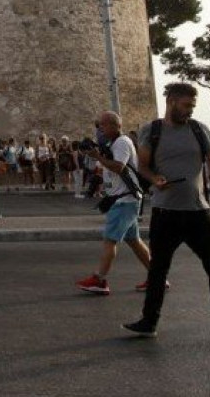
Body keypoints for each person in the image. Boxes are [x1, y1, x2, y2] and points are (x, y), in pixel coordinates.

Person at [122, 83, 210, 343]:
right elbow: (143, 166)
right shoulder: (151, 130)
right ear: (171, 102)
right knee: (158, 270)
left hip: (198, 212)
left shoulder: (199, 129)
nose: (190, 110)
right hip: (165, 212)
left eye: (193, 106)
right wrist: (155, 179)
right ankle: (148, 322)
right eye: (186, 105)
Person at [75, 112, 153, 296]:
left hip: (124, 200)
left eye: (102, 125)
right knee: (134, 241)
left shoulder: (122, 143)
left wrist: (98, 157)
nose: (99, 130)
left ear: (115, 125)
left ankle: (100, 280)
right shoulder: (113, 144)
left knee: (110, 240)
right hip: (123, 199)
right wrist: (96, 154)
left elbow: (119, 166)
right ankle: (157, 277)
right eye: (98, 126)